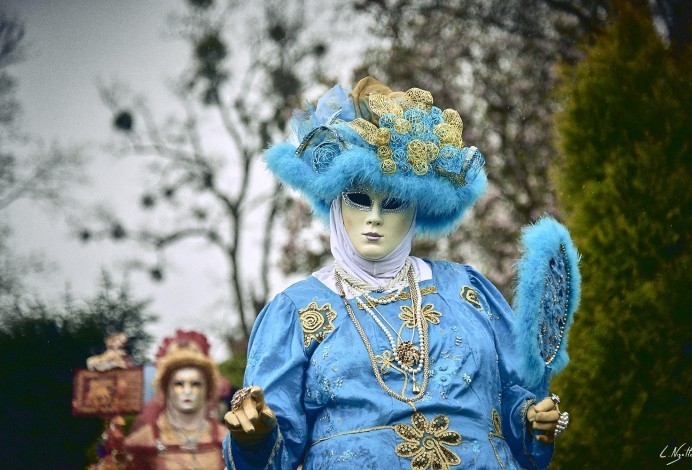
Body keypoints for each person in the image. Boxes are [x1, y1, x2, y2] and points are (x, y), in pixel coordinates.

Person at [223, 77, 569, 469]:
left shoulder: (467, 291)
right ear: (335, 203)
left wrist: (533, 419)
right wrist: (255, 438)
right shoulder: (296, 312)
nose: (373, 217)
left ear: (416, 207)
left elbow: (514, 396)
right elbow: (273, 448)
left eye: (393, 202)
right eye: (358, 199)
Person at [124, 330, 228, 469]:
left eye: (195, 384)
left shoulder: (226, 439)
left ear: (207, 389)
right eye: (178, 384)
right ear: (166, 389)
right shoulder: (144, 440)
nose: (187, 391)